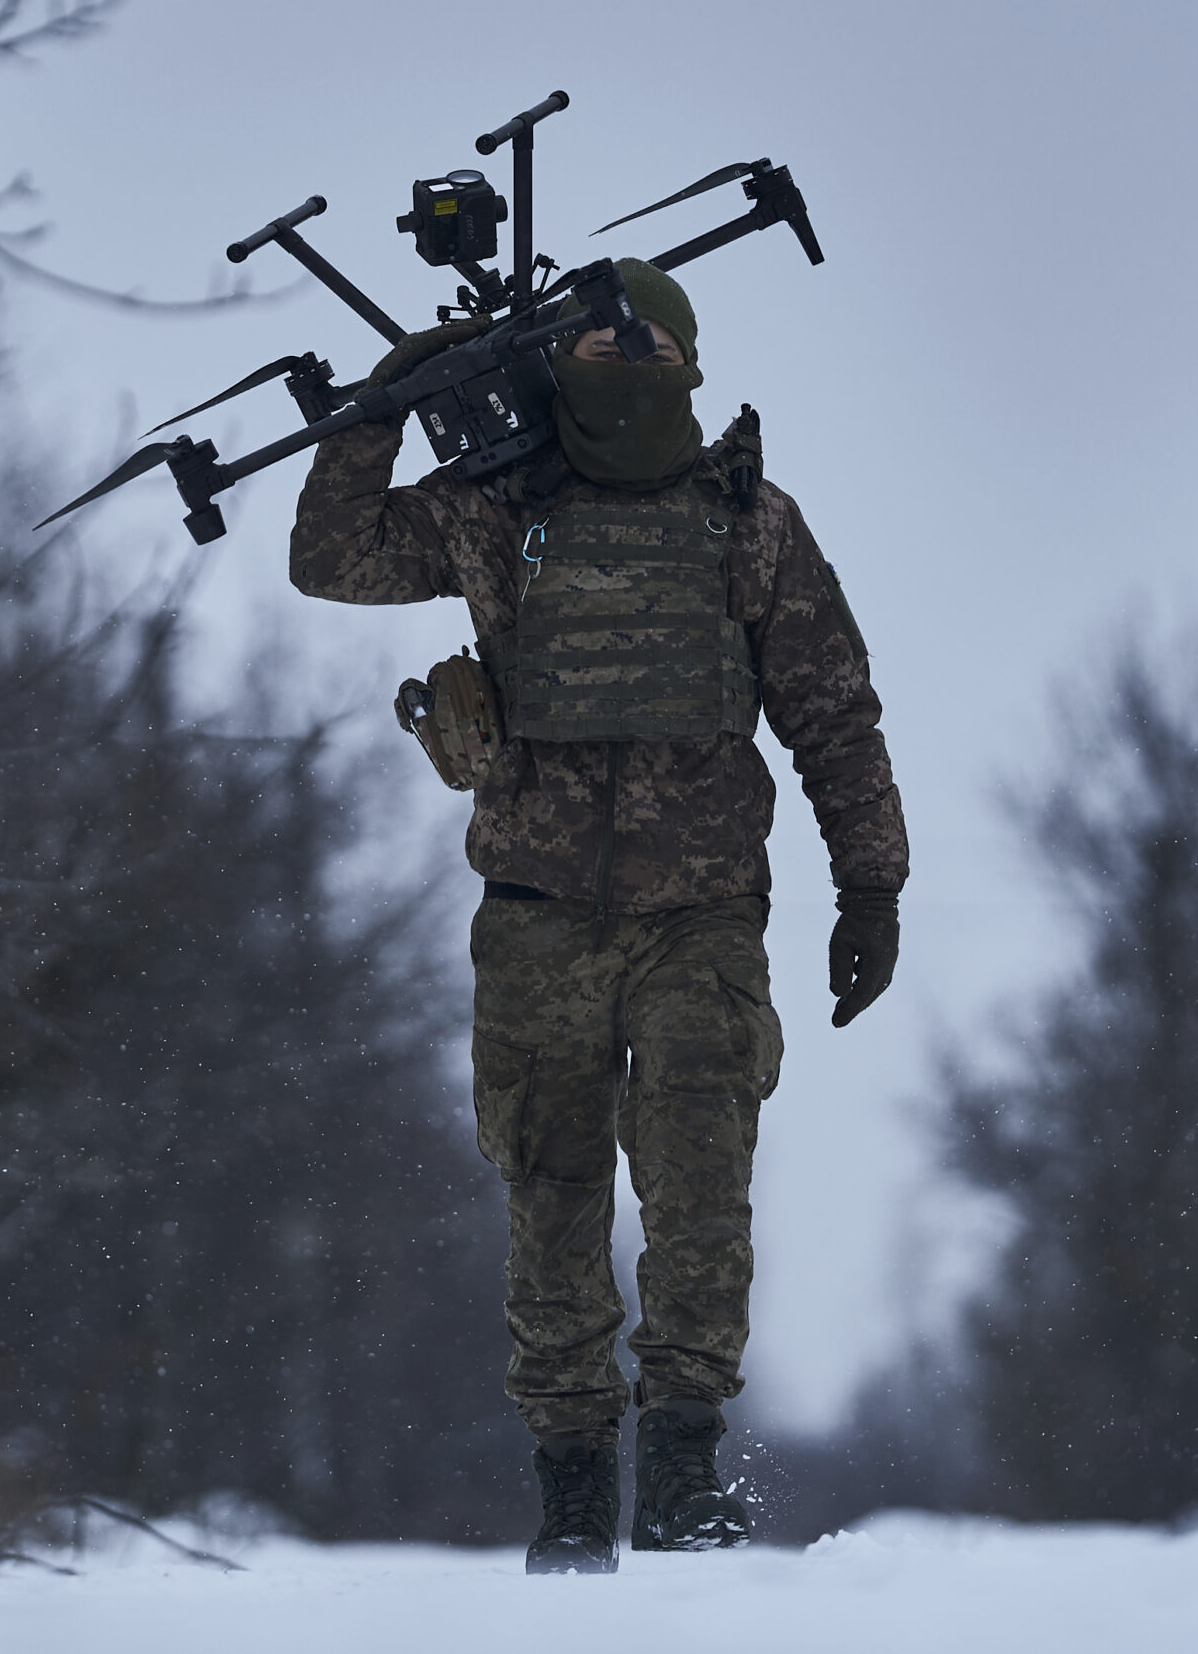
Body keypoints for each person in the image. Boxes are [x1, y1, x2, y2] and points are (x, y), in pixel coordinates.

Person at [289, 259, 905, 1573]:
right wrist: (376, 413)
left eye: (649, 357)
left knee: (697, 1197)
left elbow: (830, 707)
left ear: (690, 368)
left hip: (701, 918)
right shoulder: (497, 501)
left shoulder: (748, 519)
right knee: (552, 1194)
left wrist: (874, 885)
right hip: (539, 914)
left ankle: (679, 1475)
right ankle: (575, 1492)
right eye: (602, 355)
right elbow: (330, 558)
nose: (626, 379)